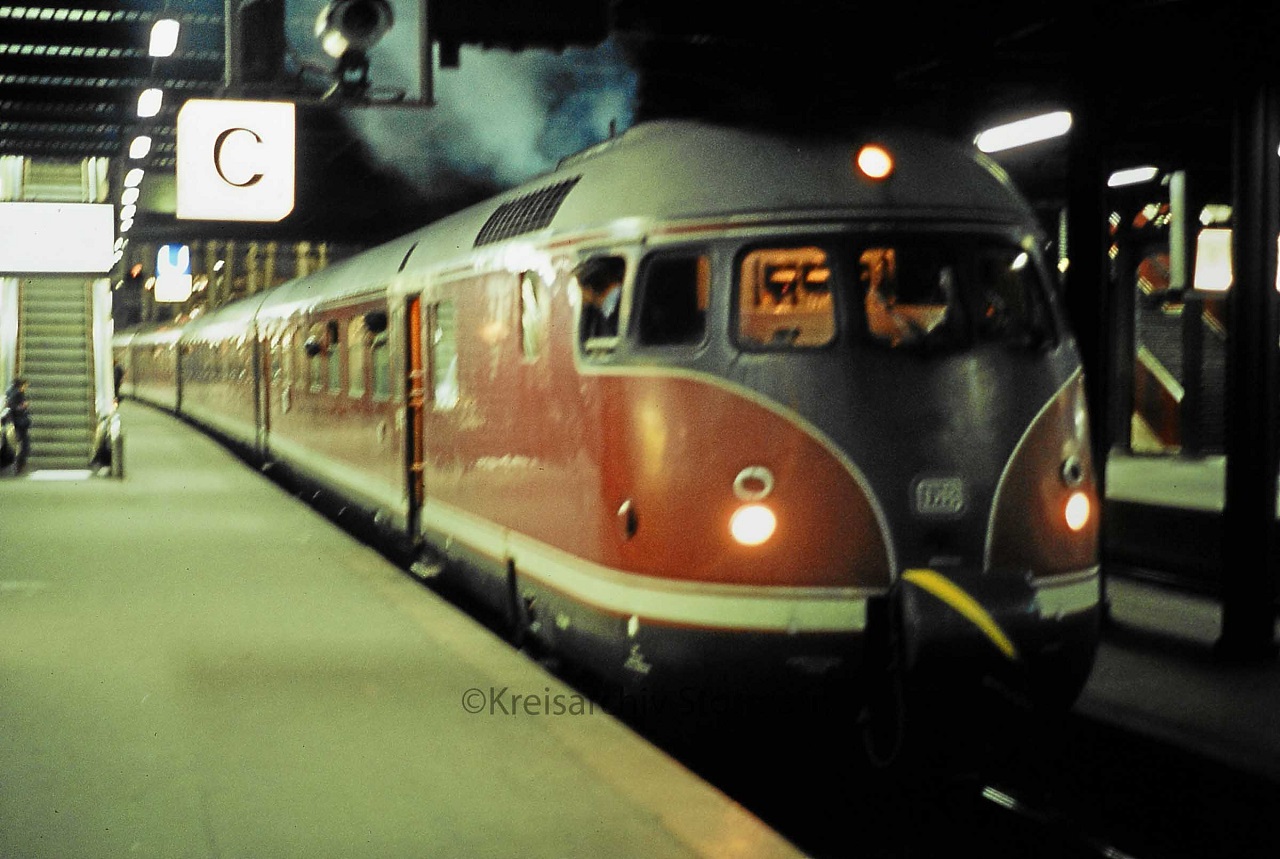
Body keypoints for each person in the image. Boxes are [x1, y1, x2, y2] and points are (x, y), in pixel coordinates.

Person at [576, 256, 625, 343]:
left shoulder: (618, 307)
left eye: (581, 289)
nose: (581, 296)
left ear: (589, 289)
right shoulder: (603, 311)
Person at [4, 376, 31, 472]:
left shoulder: (13, 392)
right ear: (21, 385)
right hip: (19, 422)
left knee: (22, 444)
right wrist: (22, 406)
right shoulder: (16, 394)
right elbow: (12, 407)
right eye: (25, 385)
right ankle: (19, 465)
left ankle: (19, 464)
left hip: (18, 422)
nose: (26, 387)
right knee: (24, 444)